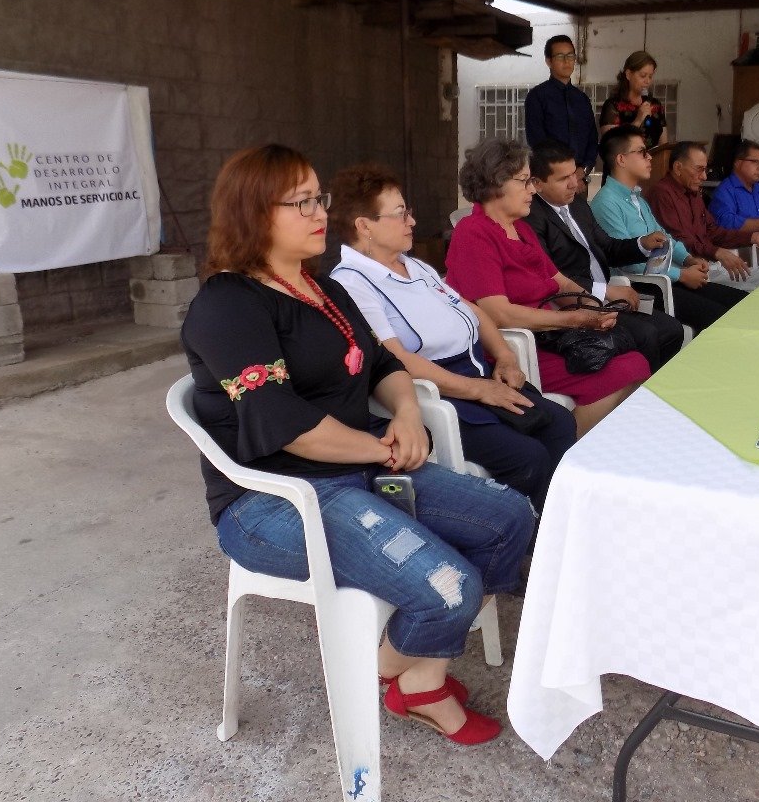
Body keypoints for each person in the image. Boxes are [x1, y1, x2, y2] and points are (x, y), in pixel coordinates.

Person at [180, 144, 533, 747]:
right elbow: (288, 426)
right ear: (254, 212)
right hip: (275, 501)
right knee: (452, 585)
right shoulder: (227, 305)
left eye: (320, 198)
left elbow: (380, 364)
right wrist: (379, 451)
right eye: (302, 202)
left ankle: (401, 669)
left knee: (512, 519)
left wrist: (405, 415)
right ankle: (417, 683)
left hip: (364, 465)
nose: (321, 212)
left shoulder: (325, 290)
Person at [327, 166, 576, 513]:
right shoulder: (352, 283)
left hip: (479, 375)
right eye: (400, 214)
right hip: (438, 390)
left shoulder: (416, 267)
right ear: (364, 225)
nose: (411, 222)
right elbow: (394, 357)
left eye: (408, 212)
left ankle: (557, 525)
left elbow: (472, 311)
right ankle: (524, 538)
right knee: (527, 456)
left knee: (561, 423)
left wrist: (504, 356)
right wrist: (476, 389)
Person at [445, 137, 649, 437]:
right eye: (525, 182)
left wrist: (593, 307)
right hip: (512, 347)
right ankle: (571, 448)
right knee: (628, 367)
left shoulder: (521, 229)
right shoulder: (474, 233)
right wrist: (573, 318)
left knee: (636, 350)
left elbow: (560, 281)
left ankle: (595, 443)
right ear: (496, 183)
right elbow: (498, 313)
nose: (532, 190)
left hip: (552, 335)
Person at [523, 139, 684, 371]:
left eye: (574, 175)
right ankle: (642, 397)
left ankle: (657, 386)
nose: (573, 185)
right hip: (576, 305)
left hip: (609, 297)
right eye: (562, 179)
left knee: (672, 328)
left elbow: (607, 248)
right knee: (647, 334)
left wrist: (642, 244)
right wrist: (605, 291)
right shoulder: (532, 218)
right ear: (536, 183)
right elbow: (551, 277)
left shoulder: (578, 205)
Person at [590, 126, 746, 332]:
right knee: (721, 318)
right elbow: (630, 262)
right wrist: (681, 275)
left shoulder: (637, 199)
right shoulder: (606, 203)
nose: (650, 158)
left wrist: (689, 259)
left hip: (664, 278)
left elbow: (665, 238)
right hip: (641, 288)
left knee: (740, 303)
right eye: (642, 152)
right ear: (621, 159)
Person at [647, 140, 759, 293]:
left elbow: (713, 231)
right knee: (754, 292)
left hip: (711, 267)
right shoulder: (662, 193)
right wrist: (717, 252)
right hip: (689, 272)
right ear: (678, 167)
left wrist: (753, 237)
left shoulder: (694, 193)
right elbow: (679, 240)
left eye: (705, 170)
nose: (704, 176)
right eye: (699, 169)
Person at [523, 34, 598, 177]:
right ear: (548, 61)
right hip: (551, 177)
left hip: (580, 179)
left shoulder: (582, 99)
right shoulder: (537, 96)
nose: (567, 61)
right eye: (560, 56)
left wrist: (583, 171)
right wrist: (564, 173)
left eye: (570, 56)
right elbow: (537, 141)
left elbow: (592, 140)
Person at [598, 51, 667, 150]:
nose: (647, 81)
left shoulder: (655, 105)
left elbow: (663, 146)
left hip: (652, 162)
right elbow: (611, 145)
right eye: (643, 76)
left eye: (650, 76)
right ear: (628, 74)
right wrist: (638, 120)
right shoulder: (613, 105)